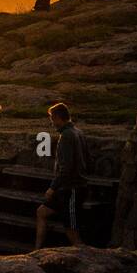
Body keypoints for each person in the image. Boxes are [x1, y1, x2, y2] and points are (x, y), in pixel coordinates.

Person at [35, 102, 88, 249]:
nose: (52, 123)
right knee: (42, 212)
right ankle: (37, 250)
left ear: (58, 117)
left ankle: (86, 257)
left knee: (71, 229)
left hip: (71, 188)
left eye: (52, 119)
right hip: (68, 188)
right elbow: (88, 160)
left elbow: (66, 169)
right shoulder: (79, 132)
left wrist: (52, 188)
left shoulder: (66, 136)